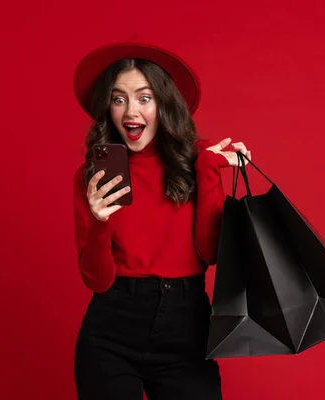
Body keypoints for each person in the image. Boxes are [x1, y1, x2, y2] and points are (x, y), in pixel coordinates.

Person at [71, 40, 251, 400]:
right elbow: (97, 279)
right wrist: (100, 219)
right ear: (107, 107)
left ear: (164, 103)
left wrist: (207, 170)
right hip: (112, 329)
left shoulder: (197, 160)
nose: (130, 111)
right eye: (119, 98)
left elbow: (208, 252)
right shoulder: (92, 175)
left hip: (186, 330)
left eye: (144, 97)